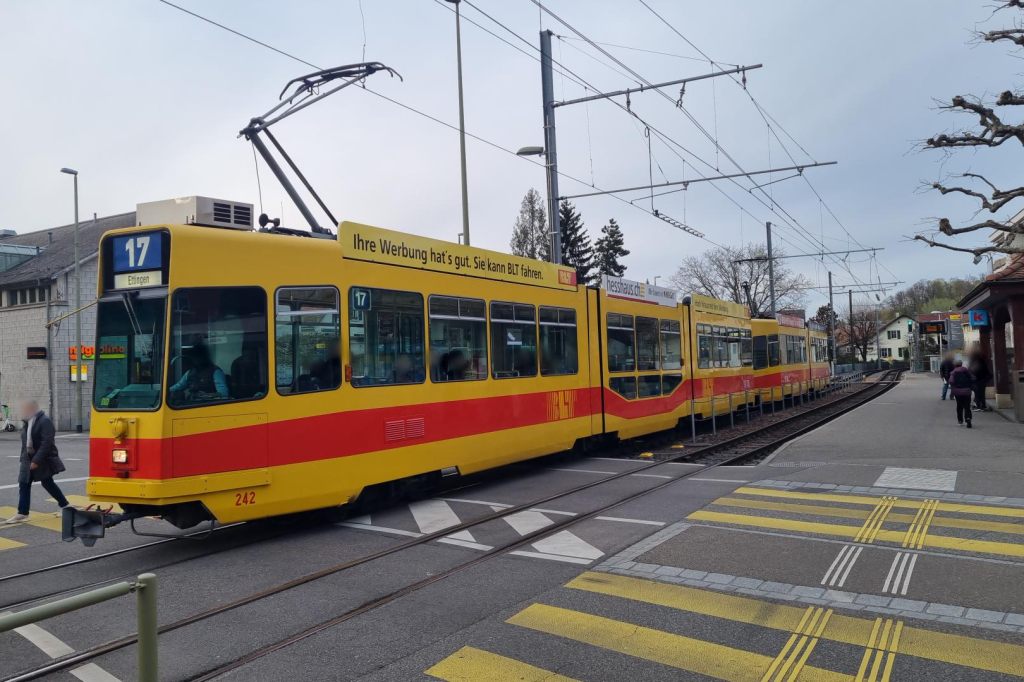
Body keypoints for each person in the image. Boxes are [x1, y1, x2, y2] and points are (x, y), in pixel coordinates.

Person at [5, 400, 69, 523]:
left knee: (47, 482)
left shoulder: (44, 421)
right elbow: (26, 443)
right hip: (27, 459)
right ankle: (22, 513)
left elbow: (47, 443)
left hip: (41, 459)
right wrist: (24, 459)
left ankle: (65, 505)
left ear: (33, 408)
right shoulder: (28, 421)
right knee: (24, 483)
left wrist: (36, 460)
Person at [948, 360, 975, 428]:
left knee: (959, 406)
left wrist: (953, 390)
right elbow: (972, 378)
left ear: (955, 365)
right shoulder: (966, 371)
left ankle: (960, 420)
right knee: (967, 406)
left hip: (957, 392)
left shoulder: (953, 372)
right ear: (961, 364)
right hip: (967, 391)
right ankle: (968, 418)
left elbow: (951, 381)